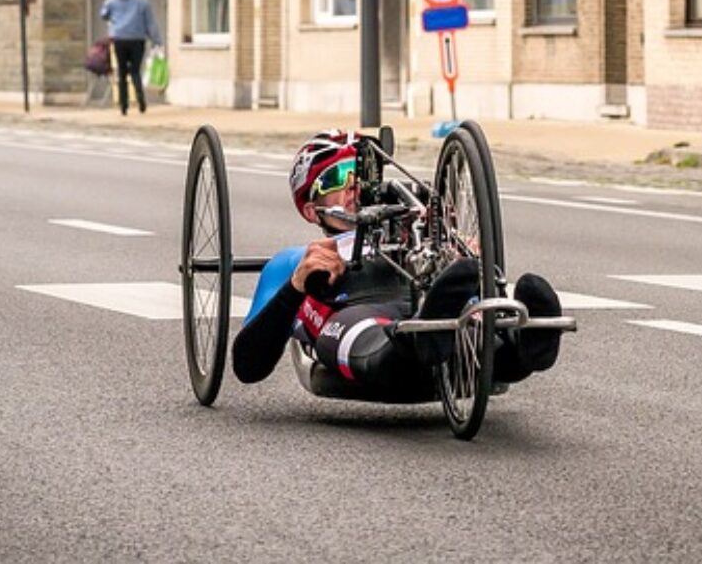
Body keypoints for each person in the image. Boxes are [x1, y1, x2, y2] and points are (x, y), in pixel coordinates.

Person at [231, 129, 563, 403]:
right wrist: (295, 286)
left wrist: (461, 253)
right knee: (373, 338)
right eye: (337, 177)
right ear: (310, 208)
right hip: (355, 315)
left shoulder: (415, 235)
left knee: (474, 323)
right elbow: (247, 366)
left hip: (430, 305)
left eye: (361, 173)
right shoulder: (294, 259)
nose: (353, 184)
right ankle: (419, 339)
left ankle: (524, 346)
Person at [99, 0, 163, 116]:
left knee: (122, 72)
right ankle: (141, 100)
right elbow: (150, 23)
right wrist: (156, 40)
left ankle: (124, 105)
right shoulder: (142, 2)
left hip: (119, 39)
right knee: (135, 71)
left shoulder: (111, 2)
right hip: (137, 40)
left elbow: (103, 14)